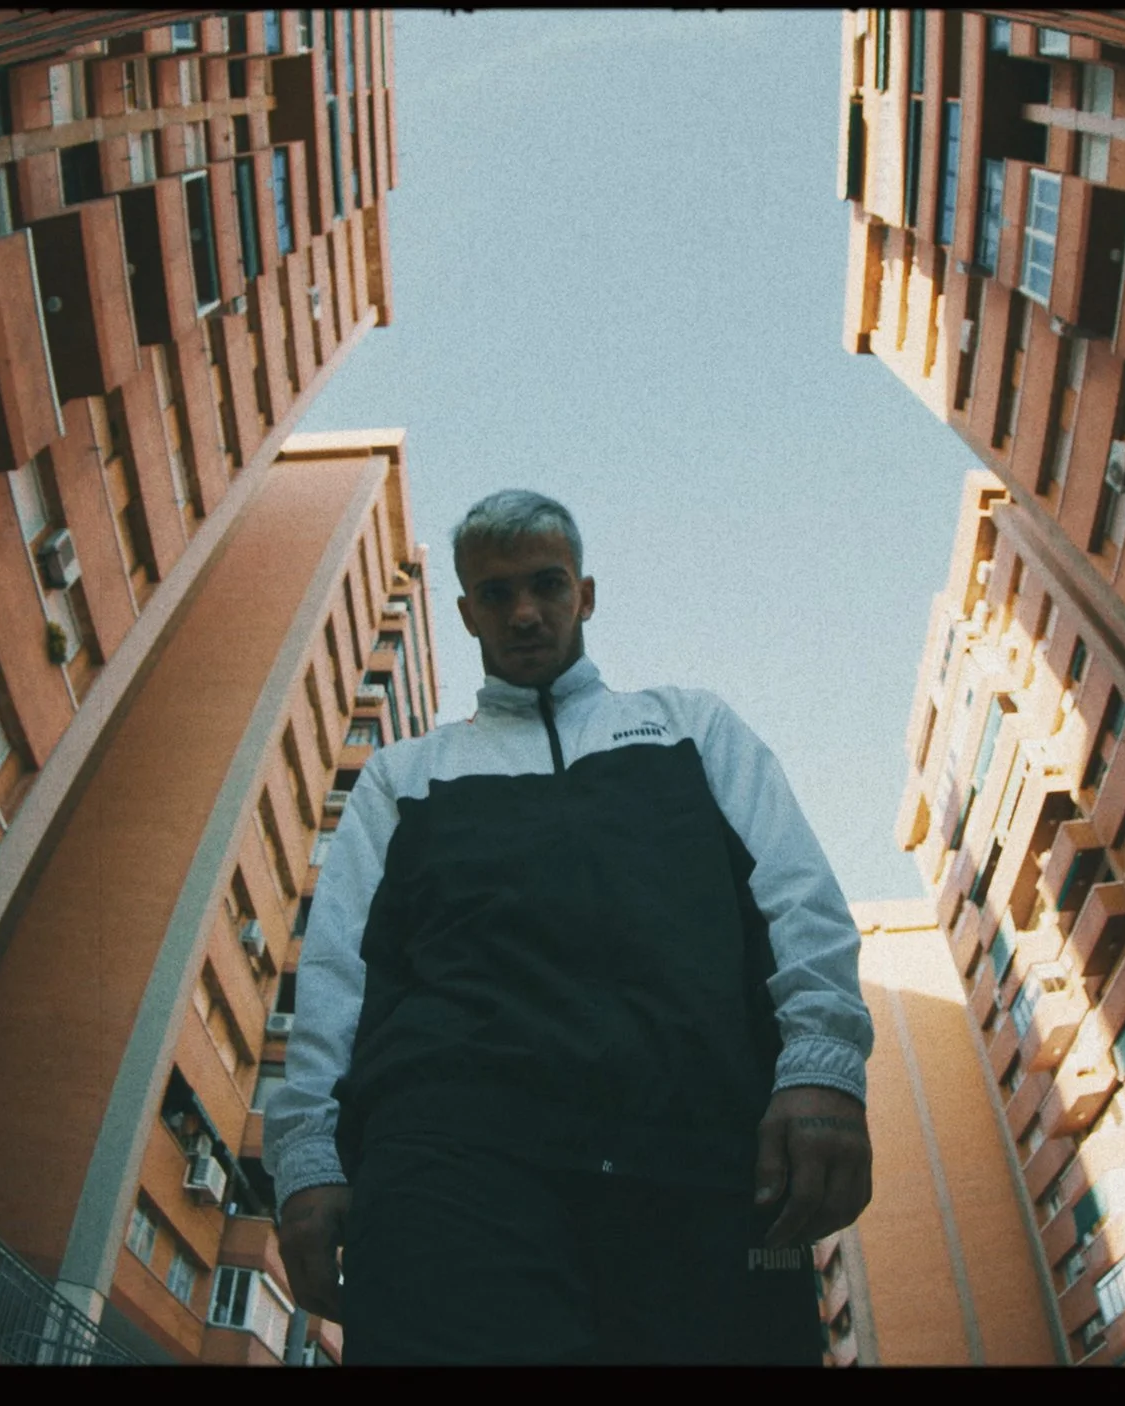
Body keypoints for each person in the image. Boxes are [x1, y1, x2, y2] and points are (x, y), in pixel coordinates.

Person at [263, 490, 874, 1365]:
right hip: (450, 1179)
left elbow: (799, 898)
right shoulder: (405, 774)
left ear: (585, 593)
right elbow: (334, 976)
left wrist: (825, 1070)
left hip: (698, 1161)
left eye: (546, 584)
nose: (523, 612)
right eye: (496, 592)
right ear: (467, 610)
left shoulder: (691, 726)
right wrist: (308, 1160)